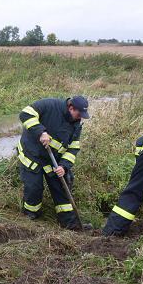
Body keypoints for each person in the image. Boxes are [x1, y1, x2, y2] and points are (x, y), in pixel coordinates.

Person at [17, 95, 89, 228]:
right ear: (70, 107)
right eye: (79, 114)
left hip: (53, 160)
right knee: (34, 188)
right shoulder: (49, 105)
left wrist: (64, 166)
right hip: (32, 154)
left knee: (62, 187)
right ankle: (30, 218)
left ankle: (70, 223)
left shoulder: (76, 125)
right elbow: (25, 114)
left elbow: (73, 148)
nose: (80, 118)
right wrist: (41, 132)